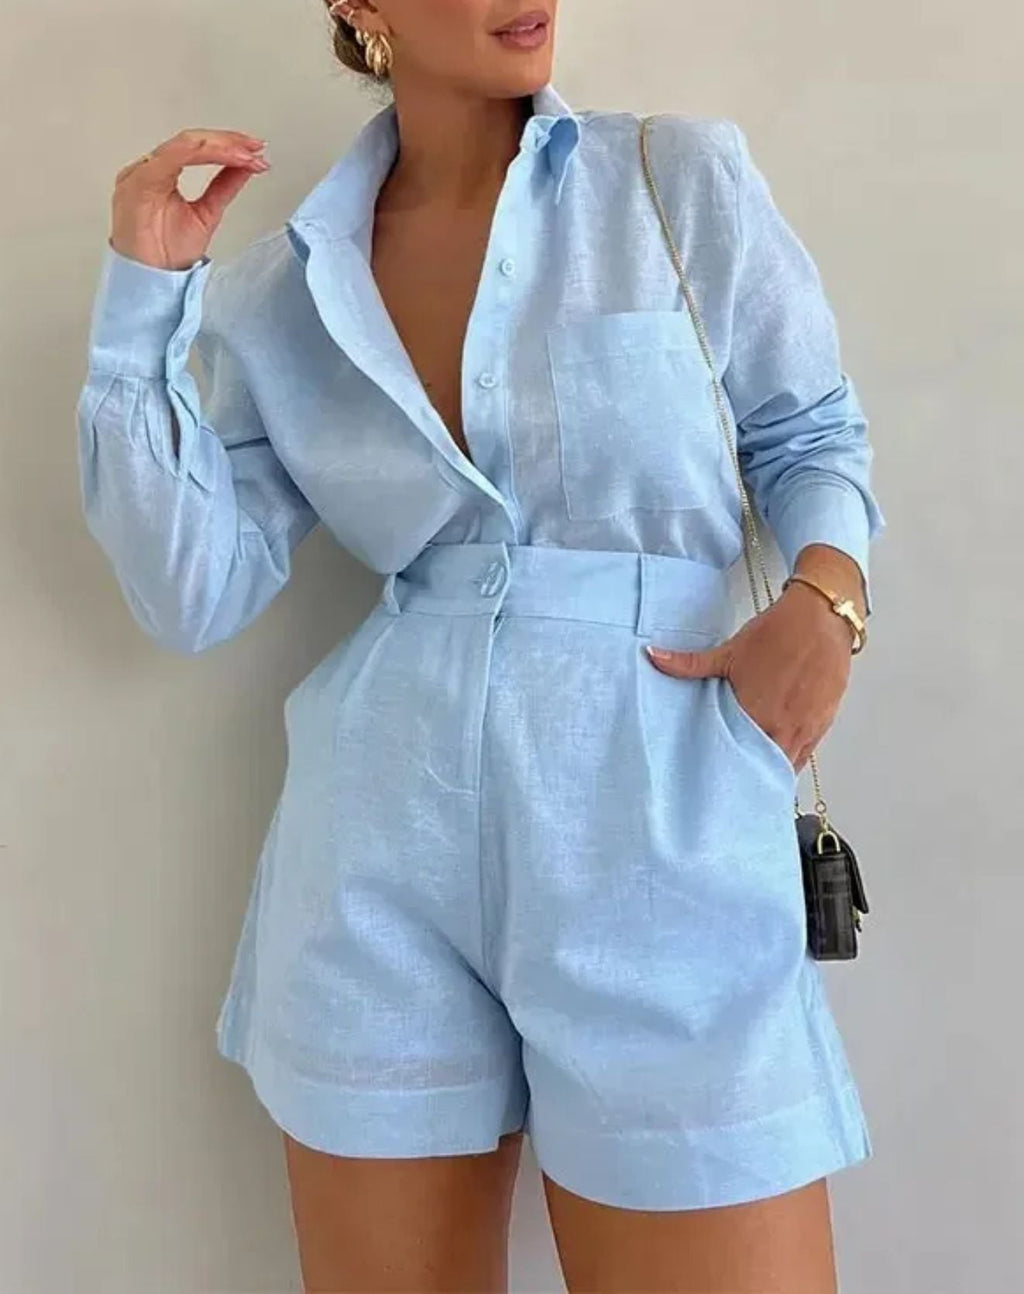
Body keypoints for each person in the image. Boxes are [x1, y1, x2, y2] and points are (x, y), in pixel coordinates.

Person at [75, 1, 886, 1289]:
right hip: (377, 846)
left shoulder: (668, 179)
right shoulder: (285, 291)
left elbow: (809, 431)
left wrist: (825, 603)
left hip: (658, 808)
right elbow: (191, 591)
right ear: (360, 6)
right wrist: (144, 303)